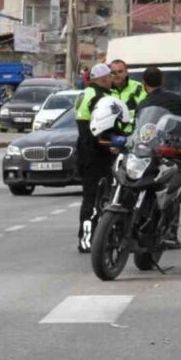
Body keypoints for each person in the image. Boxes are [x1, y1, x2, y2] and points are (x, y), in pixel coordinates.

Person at [137, 66, 181, 249]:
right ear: (162, 80)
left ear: (144, 83)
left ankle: (145, 228)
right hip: (173, 153)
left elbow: (136, 130)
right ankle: (170, 234)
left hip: (148, 153)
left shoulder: (143, 104)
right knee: (173, 194)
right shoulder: (177, 100)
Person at [74, 63, 116, 253]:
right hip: (97, 153)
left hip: (87, 150)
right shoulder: (101, 97)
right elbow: (102, 128)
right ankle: (87, 240)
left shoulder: (85, 93)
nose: (112, 79)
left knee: (94, 197)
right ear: (103, 78)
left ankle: (95, 237)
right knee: (95, 198)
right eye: (110, 76)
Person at [109, 60, 147, 131]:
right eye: (113, 72)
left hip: (133, 135)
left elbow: (146, 111)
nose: (117, 75)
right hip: (111, 137)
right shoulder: (106, 90)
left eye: (120, 71)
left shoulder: (138, 88)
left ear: (126, 72)